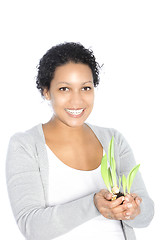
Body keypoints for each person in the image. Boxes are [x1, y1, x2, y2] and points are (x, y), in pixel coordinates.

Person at [6, 42, 154, 240]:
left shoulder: (114, 140)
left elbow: (146, 217)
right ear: (46, 91)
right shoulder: (25, 145)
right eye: (64, 89)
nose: (77, 101)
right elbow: (32, 227)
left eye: (85, 88)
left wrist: (133, 210)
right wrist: (93, 205)